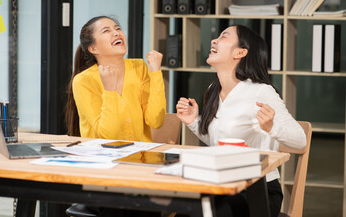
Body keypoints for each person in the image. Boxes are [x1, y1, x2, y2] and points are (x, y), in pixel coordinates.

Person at [176, 25, 306, 217]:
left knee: (205, 213)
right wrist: (193, 122)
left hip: (258, 190)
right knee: (184, 211)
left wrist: (272, 127)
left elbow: (301, 141)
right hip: (222, 184)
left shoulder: (261, 91)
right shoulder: (214, 89)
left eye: (224, 36)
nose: (214, 40)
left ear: (240, 52)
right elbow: (220, 142)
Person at [66, 15, 166, 142]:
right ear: (93, 48)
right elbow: (108, 135)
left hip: (141, 159)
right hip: (104, 159)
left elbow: (156, 121)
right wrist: (109, 91)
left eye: (118, 28)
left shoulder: (139, 67)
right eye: (106, 31)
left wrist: (156, 72)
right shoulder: (84, 81)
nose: (116, 33)